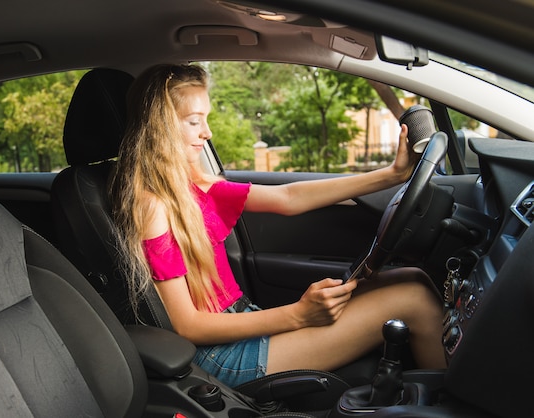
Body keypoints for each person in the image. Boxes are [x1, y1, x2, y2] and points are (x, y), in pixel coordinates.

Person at [110, 63, 446, 388]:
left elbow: (289, 198)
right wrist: (298, 315)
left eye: (206, 119)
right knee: (413, 299)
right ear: (161, 127)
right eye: (194, 121)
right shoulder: (152, 206)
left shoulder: (197, 186)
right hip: (216, 356)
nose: (207, 132)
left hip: (240, 322)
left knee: (411, 277)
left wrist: (392, 175)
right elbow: (186, 325)